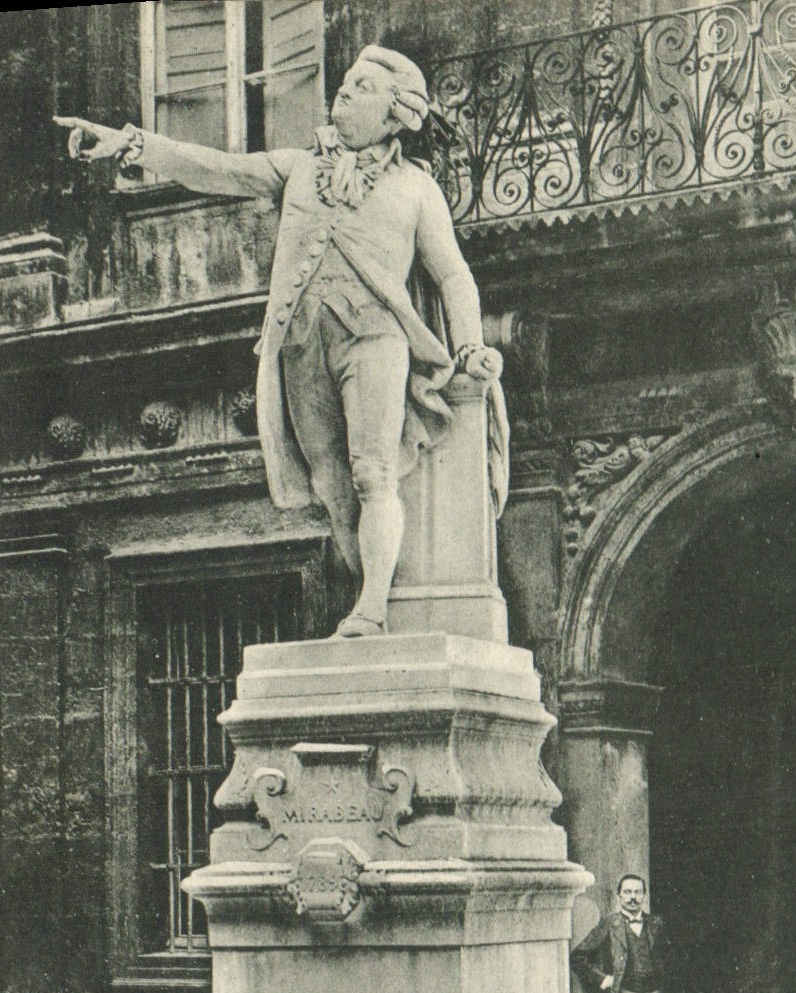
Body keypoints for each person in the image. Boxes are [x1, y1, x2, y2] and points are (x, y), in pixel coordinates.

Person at [55, 46, 504, 638]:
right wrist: (133, 144)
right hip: (299, 343)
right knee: (331, 486)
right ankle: (371, 597)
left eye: (363, 88)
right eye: (345, 83)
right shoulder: (297, 167)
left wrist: (469, 345)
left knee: (372, 473)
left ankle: (370, 608)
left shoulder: (416, 191)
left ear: (396, 116)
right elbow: (214, 167)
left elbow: (452, 275)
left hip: (375, 339)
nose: (343, 93)